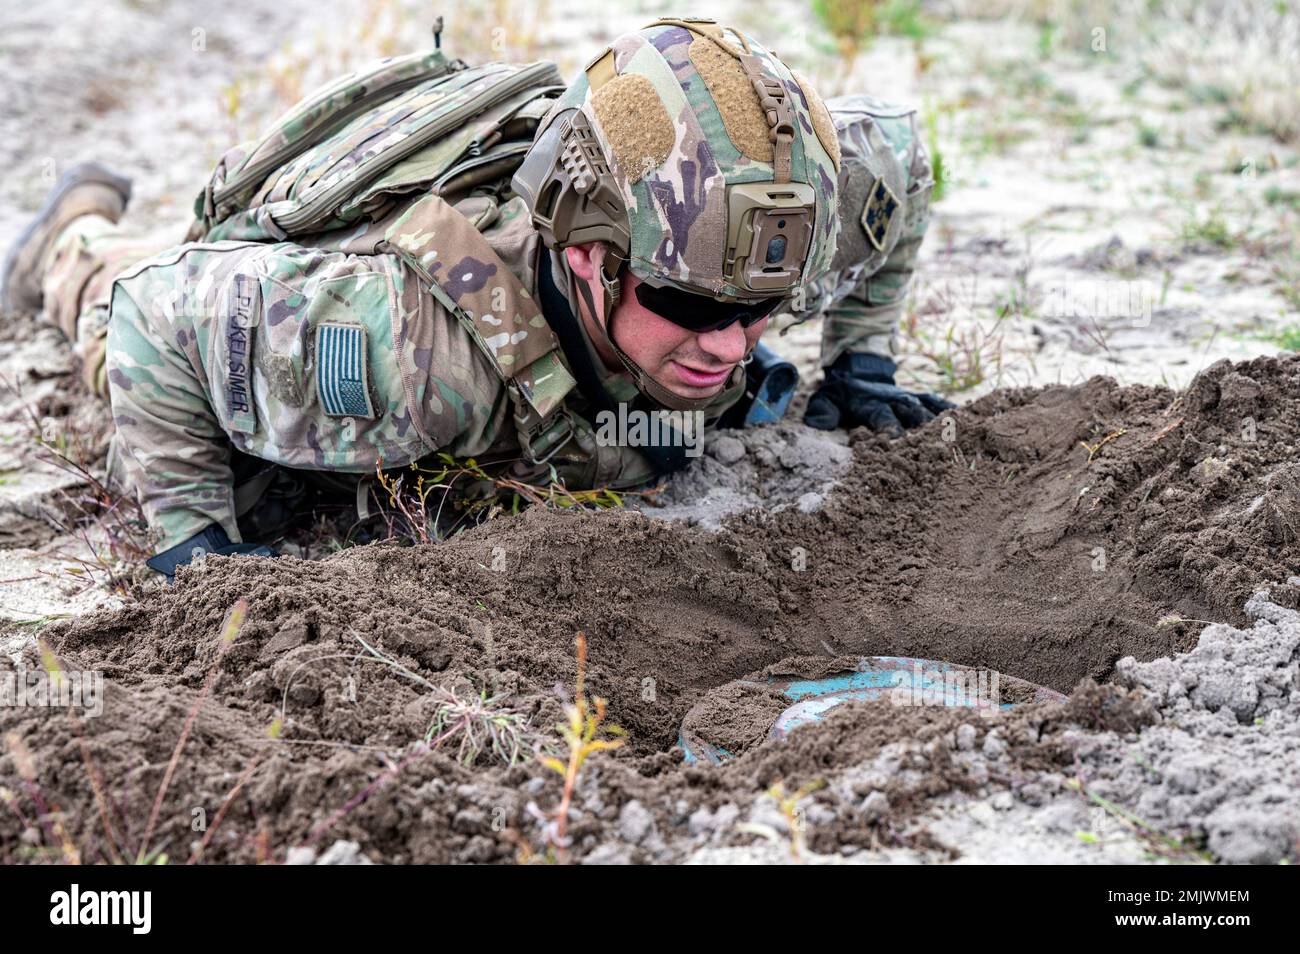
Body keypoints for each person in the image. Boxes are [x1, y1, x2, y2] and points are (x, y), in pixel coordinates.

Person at [1, 18, 946, 579]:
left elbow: (905, 162)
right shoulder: (410, 354)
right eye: (694, 309)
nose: (734, 344)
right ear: (589, 258)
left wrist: (862, 360)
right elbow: (152, 316)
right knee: (110, 309)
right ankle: (70, 229)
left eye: (763, 311)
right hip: (260, 296)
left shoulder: (774, 225)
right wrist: (189, 545)